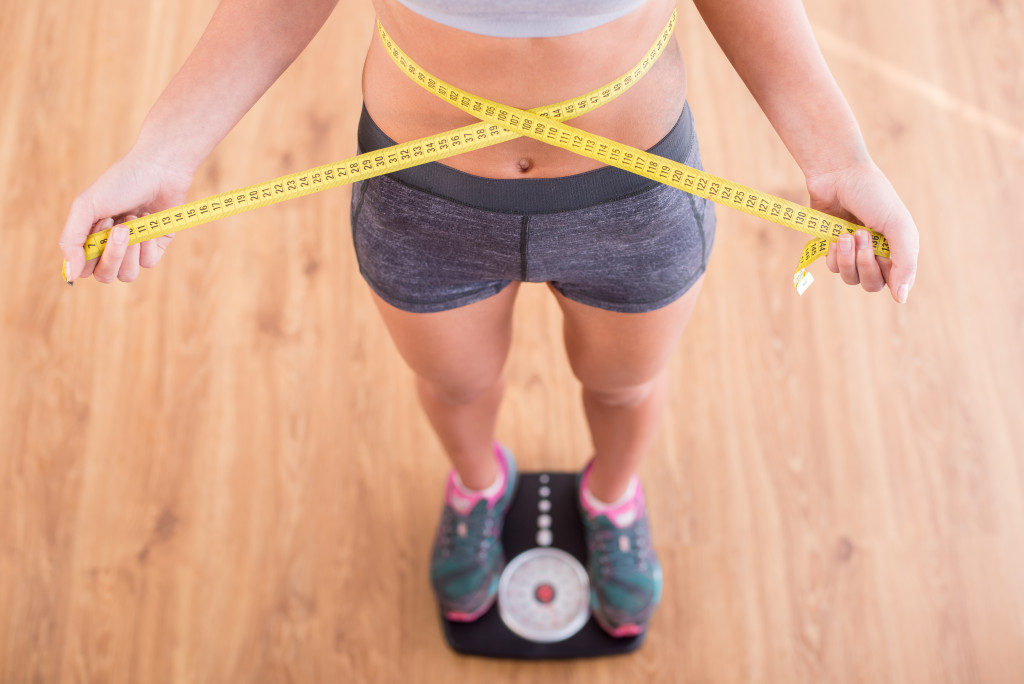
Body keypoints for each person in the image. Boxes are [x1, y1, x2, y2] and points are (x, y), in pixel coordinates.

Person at [59, 0, 919, 637]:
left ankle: (613, 499)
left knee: (623, 387)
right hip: (422, 201)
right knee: (455, 383)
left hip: (636, 198)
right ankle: (476, 485)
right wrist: (161, 151)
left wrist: (839, 158)